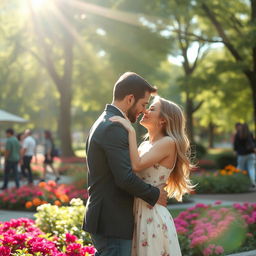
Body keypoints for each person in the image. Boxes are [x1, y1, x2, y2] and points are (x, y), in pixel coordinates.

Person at [83, 72, 168, 256]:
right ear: (130, 99)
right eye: (143, 104)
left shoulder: (106, 120)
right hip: (112, 221)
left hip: (109, 219)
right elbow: (124, 178)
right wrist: (155, 194)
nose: (144, 111)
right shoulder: (114, 126)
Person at [110, 96, 193, 255]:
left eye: (152, 109)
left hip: (152, 216)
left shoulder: (169, 142)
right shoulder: (144, 144)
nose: (146, 111)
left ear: (163, 120)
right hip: (137, 213)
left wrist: (130, 130)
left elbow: (137, 165)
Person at [234, 123, 256, 189]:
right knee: (251, 169)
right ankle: (253, 183)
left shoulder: (238, 134)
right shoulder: (250, 134)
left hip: (241, 154)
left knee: (240, 168)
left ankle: (238, 183)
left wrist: (235, 150)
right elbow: (254, 143)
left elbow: (236, 145)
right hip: (250, 154)